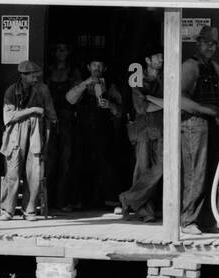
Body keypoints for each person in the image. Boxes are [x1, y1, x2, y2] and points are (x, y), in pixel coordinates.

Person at [0, 61, 57, 221]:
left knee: (34, 173)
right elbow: (8, 117)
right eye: (32, 75)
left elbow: (51, 114)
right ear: (23, 76)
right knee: (13, 172)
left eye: (36, 75)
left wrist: (48, 137)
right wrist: (32, 110)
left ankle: (30, 210)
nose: (35, 78)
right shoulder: (12, 91)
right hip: (15, 134)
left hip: (36, 134)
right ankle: (7, 210)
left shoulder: (42, 90)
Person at [178, 26, 219, 233]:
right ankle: (188, 220)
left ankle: (206, 220)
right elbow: (179, 99)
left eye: (213, 44)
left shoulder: (215, 67)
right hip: (193, 124)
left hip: (211, 124)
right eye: (207, 43)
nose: (210, 47)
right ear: (198, 43)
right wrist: (206, 110)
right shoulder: (189, 66)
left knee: (211, 172)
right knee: (196, 172)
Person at [66, 58, 123, 209]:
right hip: (82, 131)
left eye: (100, 65)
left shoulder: (110, 86)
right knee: (78, 163)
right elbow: (70, 99)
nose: (97, 68)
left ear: (104, 68)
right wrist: (86, 83)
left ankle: (111, 202)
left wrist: (110, 105)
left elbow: (120, 112)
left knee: (107, 165)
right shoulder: (81, 84)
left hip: (103, 131)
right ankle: (76, 201)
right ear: (88, 67)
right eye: (94, 65)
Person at [118, 51, 164, 222]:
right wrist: (164, 103)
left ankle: (128, 198)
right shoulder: (137, 79)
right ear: (147, 59)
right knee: (142, 170)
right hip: (143, 130)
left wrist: (153, 100)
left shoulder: (165, 77)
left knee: (161, 168)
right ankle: (146, 212)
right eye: (157, 56)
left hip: (161, 128)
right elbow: (141, 107)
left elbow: (152, 103)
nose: (161, 59)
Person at [44, 41, 81, 211]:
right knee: (50, 161)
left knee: (66, 161)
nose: (61, 52)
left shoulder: (73, 72)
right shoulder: (48, 70)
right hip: (50, 119)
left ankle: (63, 200)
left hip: (67, 120)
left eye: (64, 49)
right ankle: (48, 201)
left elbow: (77, 97)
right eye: (58, 49)